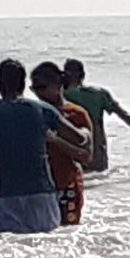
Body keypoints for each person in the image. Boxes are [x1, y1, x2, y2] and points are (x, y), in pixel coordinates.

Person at [0, 59, 90, 233]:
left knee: (8, 247)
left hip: (7, 195)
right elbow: (79, 139)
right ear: (23, 83)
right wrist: (85, 132)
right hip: (42, 194)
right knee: (45, 244)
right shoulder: (42, 110)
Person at [63, 59, 130, 172]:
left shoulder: (59, 95)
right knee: (99, 182)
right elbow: (124, 115)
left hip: (70, 152)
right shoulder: (99, 94)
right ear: (83, 75)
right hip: (97, 153)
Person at [30, 62, 93, 225]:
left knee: (67, 233)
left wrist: (55, 140)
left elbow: (86, 156)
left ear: (58, 84)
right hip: (38, 187)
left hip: (67, 183)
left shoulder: (76, 113)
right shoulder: (32, 113)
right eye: (34, 88)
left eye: (42, 87)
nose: (38, 93)